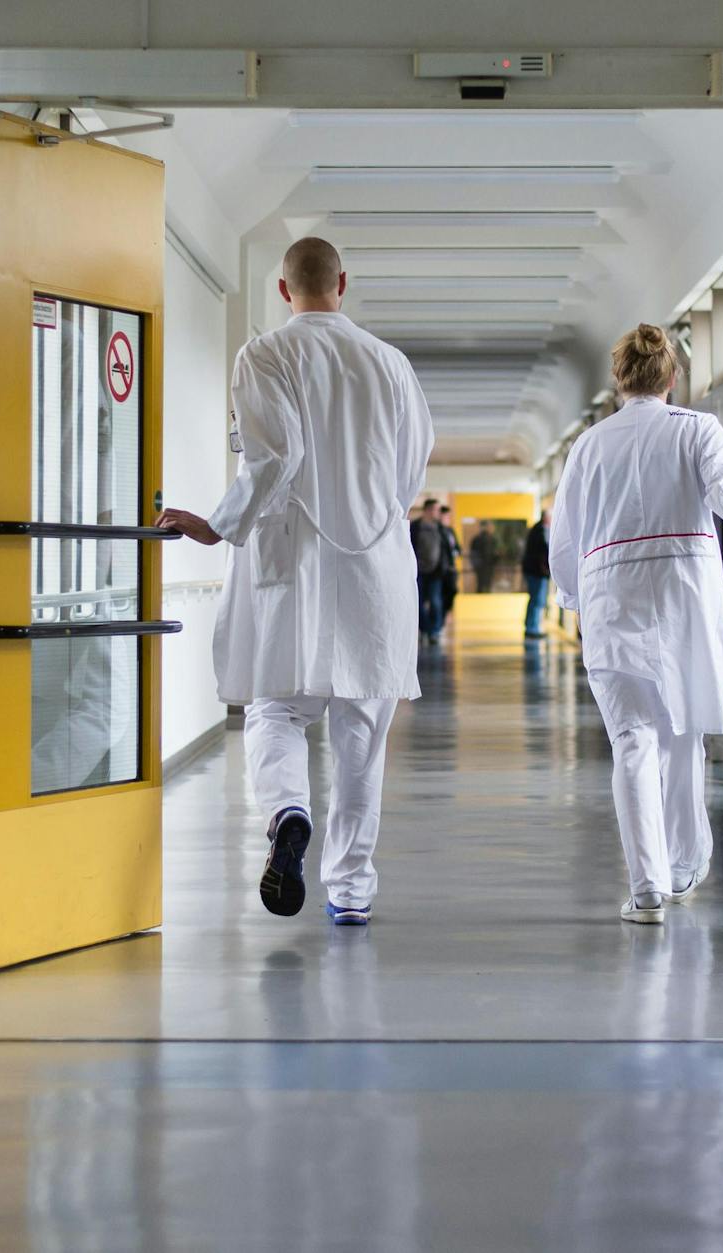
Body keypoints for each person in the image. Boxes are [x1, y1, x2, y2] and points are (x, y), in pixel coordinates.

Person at [158, 236, 434, 926]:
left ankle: (289, 811)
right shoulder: (391, 364)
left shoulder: (264, 355)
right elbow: (411, 469)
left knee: (275, 710)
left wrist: (219, 524)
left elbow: (275, 457)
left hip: (292, 563)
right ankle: (351, 889)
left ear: (283, 291)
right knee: (362, 733)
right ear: (344, 280)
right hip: (375, 568)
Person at [550, 323, 723, 924]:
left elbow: (566, 536)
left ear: (618, 379)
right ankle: (685, 864)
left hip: (613, 599)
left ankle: (648, 886)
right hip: (684, 597)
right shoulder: (697, 431)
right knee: (683, 734)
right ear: (673, 376)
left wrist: (576, 600)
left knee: (632, 740)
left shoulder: (590, 445)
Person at [409, 498, 447, 645]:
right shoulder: (415, 527)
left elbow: (447, 548)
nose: (437, 513)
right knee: (418, 602)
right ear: (428, 510)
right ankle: (425, 628)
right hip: (418, 571)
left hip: (436, 572)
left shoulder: (440, 528)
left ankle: (434, 631)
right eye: (435, 510)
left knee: (435, 601)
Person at [521, 509, 551, 638]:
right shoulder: (541, 531)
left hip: (533, 570)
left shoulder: (536, 529)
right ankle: (533, 628)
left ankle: (530, 626)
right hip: (537, 572)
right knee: (537, 600)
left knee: (534, 599)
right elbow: (543, 552)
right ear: (545, 518)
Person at [438, 505, 462, 624]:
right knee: (438, 595)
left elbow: (457, 547)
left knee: (452, 591)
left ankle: (443, 615)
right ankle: (438, 621)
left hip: (451, 569)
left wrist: (455, 552)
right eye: (445, 516)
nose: (447, 518)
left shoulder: (450, 531)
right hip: (439, 569)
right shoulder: (437, 530)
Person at [469, 520, 498, 594]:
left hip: (486, 565)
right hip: (483, 565)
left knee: (484, 584)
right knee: (483, 584)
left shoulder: (491, 539)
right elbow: (473, 553)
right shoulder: (479, 539)